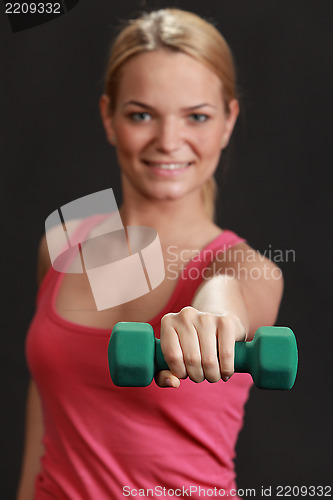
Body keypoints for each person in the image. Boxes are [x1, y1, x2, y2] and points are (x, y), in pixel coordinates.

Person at [16, 8, 283, 500]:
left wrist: (211, 318)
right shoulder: (62, 242)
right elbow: (48, 404)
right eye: (142, 114)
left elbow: (227, 293)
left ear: (228, 122)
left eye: (197, 117)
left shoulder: (246, 267)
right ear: (109, 118)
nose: (168, 142)